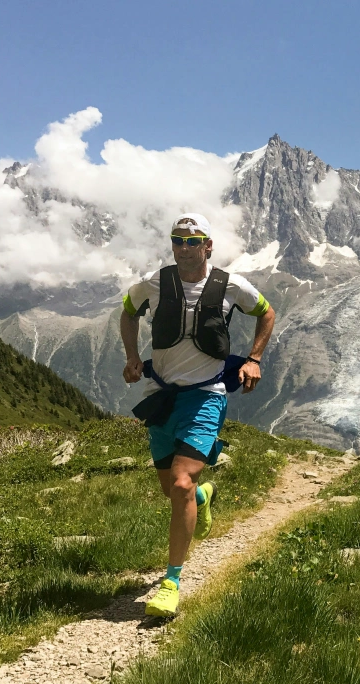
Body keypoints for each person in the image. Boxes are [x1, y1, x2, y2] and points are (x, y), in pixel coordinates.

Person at [119, 212, 275, 617]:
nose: (185, 247)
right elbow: (127, 310)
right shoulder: (155, 284)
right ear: (172, 245)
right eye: (178, 240)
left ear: (208, 246)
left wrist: (254, 359)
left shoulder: (231, 286)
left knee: (182, 482)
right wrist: (133, 357)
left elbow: (266, 312)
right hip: (161, 395)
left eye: (193, 240)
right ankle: (204, 498)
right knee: (171, 491)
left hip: (206, 395)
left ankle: (171, 582)